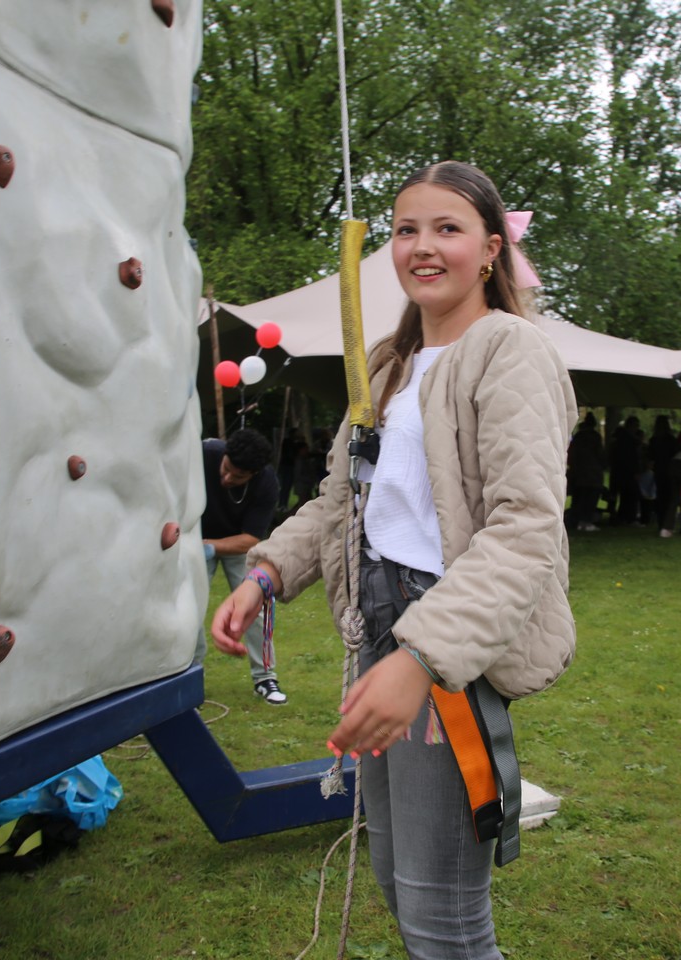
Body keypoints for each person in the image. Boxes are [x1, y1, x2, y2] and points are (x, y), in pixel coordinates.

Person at [211, 160, 577, 959]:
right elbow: (342, 501)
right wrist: (267, 573)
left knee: (442, 914)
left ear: (491, 249)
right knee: (393, 874)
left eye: (448, 228)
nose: (423, 246)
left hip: (447, 641)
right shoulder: (388, 363)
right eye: (407, 230)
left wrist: (424, 659)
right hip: (380, 631)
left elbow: (524, 529)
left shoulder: (509, 350)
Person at [196, 428, 288, 705]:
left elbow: (249, 539)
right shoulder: (202, 454)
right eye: (226, 469)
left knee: (255, 606)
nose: (227, 478)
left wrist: (210, 545)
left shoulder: (267, 483)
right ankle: (189, 677)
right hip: (195, 541)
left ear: (253, 474)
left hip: (237, 546)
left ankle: (265, 677)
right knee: (190, 607)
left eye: (237, 477)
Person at [567, 412, 606, 531]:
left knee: (578, 499)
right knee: (590, 499)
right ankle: (585, 521)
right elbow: (600, 455)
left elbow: (572, 454)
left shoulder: (578, 437)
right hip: (592, 474)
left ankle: (575, 521)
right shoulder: (595, 437)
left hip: (578, 474)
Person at [647, 415, 678, 533]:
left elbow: (651, 457)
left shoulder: (654, 440)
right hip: (669, 469)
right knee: (670, 497)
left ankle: (661, 522)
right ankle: (668, 522)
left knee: (660, 496)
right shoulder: (671, 440)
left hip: (659, 470)